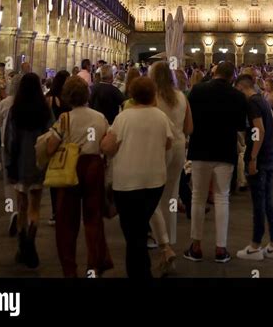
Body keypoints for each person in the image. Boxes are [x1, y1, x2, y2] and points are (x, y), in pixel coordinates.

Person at [101, 77, 173, 279]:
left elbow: (107, 147)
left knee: (132, 232)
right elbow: (168, 144)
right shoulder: (160, 116)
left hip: (127, 182)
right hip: (154, 181)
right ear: (153, 94)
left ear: (132, 94)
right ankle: (144, 270)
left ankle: (139, 273)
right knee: (139, 227)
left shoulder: (124, 117)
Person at [46, 77, 113, 277]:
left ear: (67, 97)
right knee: (93, 219)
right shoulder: (99, 117)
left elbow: (50, 147)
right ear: (87, 94)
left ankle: (70, 269)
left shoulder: (65, 119)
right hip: (94, 166)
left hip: (71, 168)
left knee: (67, 221)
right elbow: (106, 143)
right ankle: (94, 265)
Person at [184, 60, 247, 264]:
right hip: (224, 151)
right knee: (222, 198)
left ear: (215, 72)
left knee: (197, 197)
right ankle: (221, 249)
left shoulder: (197, 91)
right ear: (232, 76)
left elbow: (189, 120)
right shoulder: (237, 96)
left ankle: (196, 247)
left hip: (200, 149)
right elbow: (240, 125)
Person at [149, 61, 193, 274]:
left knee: (152, 195)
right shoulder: (182, 97)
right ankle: (170, 240)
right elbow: (190, 127)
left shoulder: (152, 98)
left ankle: (162, 242)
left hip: (158, 147)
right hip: (178, 147)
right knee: (171, 195)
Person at [5, 72, 53, 268]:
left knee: (21, 206)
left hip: (19, 163)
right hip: (38, 164)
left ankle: (22, 246)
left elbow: (10, 140)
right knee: (35, 206)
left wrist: (9, 161)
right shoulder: (44, 110)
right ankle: (31, 245)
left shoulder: (15, 111)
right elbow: (51, 134)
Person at [235, 74, 273, 261]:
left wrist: (253, 157)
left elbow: (258, 130)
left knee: (259, 203)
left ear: (240, 88)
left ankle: (255, 246)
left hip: (260, 159)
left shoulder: (252, 103)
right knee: (268, 201)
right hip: (269, 156)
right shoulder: (262, 100)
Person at [0, 72, 23, 236]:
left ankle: (11, 211)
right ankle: (21, 209)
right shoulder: (30, 103)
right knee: (23, 181)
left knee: (8, 182)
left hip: (7, 147)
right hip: (25, 147)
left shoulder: (5, 103)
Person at [46, 69, 71, 225]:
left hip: (53, 138)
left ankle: (56, 211)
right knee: (65, 175)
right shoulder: (68, 98)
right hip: (66, 139)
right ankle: (63, 211)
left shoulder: (49, 97)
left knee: (55, 176)